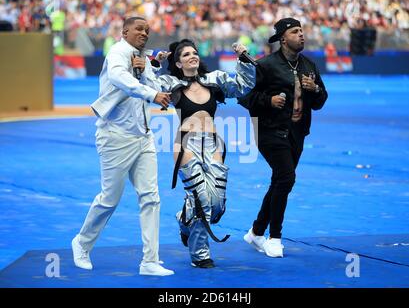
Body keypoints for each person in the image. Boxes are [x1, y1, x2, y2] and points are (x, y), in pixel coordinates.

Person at [136, 39, 255, 268]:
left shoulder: (215, 79)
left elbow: (244, 86)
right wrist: (154, 63)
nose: (192, 56)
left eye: (194, 53)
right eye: (186, 54)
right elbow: (147, 85)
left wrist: (243, 59)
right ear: (179, 64)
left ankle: (184, 220)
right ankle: (200, 255)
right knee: (202, 201)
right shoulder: (171, 83)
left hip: (213, 144)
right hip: (185, 145)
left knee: (217, 205)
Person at [71, 17, 174, 276]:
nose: (144, 33)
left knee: (151, 197)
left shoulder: (141, 57)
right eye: (139, 29)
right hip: (115, 137)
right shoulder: (118, 52)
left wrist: (151, 68)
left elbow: (155, 86)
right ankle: (82, 243)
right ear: (124, 31)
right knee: (109, 199)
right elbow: (118, 78)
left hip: (144, 136)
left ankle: (150, 261)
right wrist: (151, 93)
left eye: (147, 30)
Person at [238, 18, 328, 258]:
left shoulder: (309, 65)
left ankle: (256, 231)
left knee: (280, 180)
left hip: (297, 133)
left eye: (302, 30)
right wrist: (269, 101)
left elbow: (321, 102)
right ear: (282, 38)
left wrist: (315, 90)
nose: (301, 35)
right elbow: (244, 97)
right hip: (270, 132)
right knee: (286, 177)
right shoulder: (266, 66)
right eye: (295, 31)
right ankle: (274, 237)